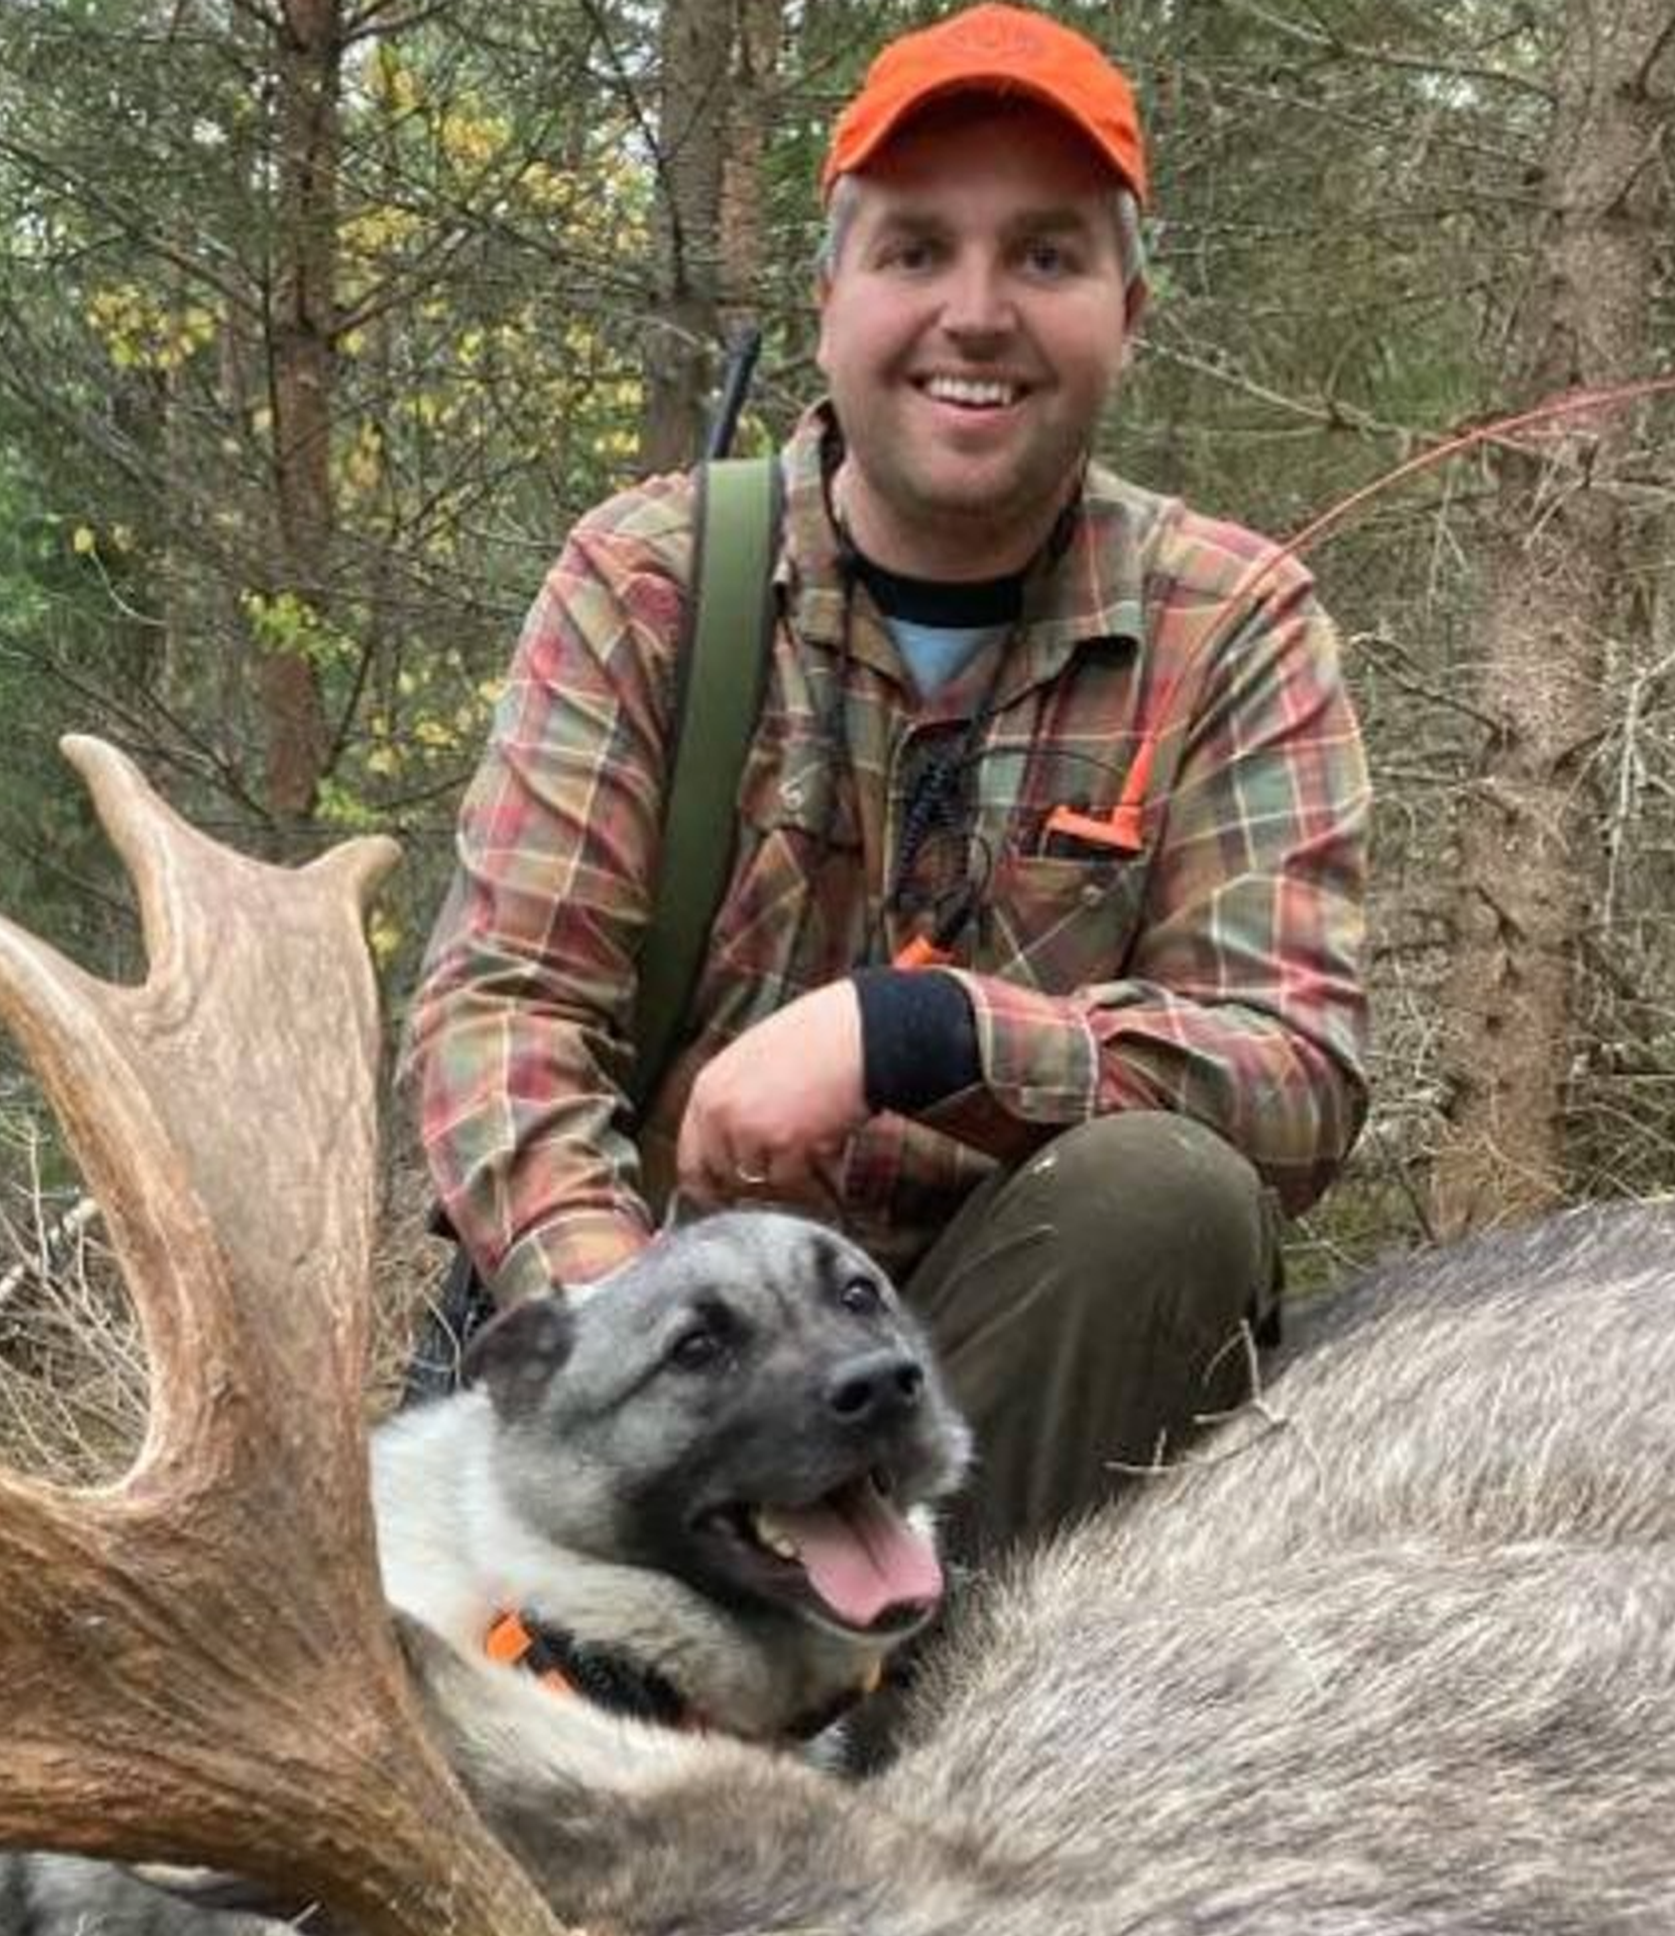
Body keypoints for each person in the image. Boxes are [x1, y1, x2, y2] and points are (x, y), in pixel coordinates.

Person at [404, 4, 1370, 1567]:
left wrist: (917, 1033)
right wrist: (619, 1315)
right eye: (917, 251)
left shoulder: (1235, 625)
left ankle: (900, 1721)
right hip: (666, 1371)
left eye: (1045, 258)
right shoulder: (647, 584)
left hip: (1004, 1387)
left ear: (1129, 307)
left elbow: (1294, 1073)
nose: (975, 314)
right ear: (832, 290)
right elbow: (500, 1012)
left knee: (1167, 1193)